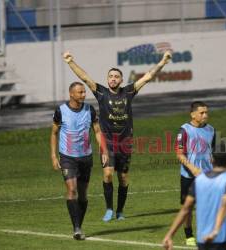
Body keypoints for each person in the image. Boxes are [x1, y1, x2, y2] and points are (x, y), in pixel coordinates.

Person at [63, 50, 172, 222]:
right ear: (107, 80)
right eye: (110, 76)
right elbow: (85, 78)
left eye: (116, 76)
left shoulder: (128, 92)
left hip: (125, 143)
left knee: (123, 178)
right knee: (107, 174)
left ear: (121, 80)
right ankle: (109, 209)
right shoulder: (101, 92)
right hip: (108, 143)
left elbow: (148, 77)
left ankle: (120, 211)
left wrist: (162, 62)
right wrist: (70, 62)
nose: (113, 78)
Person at [50, 82, 108, 240]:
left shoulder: (89, 110)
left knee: (82, 194)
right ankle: (76, 227)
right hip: (67, 157)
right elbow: (54, 133)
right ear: (71, 94)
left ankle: (78, 225)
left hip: (86, 158)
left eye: (84, 92)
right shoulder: (61, 111)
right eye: (80, 92)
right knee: (72, 190)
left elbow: (97, 130)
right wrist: (54, 156)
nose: (84, 94)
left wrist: (103, 150)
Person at [163, 142, 226, 250]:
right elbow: (225, 205)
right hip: (225, 240)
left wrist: (169, 235)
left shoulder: (199, 180)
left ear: (211, 159)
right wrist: (216, 231)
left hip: (203, 240)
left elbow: (185, 209)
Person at [175, 101, 216, 246]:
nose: (205, 115)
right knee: (187, 208)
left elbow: (212, 153)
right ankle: (189, 236)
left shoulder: (211, 130)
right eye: (202, 113)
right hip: (189, 176)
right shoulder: (184, 130)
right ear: (193, 114)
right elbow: (180, 154)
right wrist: (193, 169)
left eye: (206, 112)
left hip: (207, 176)